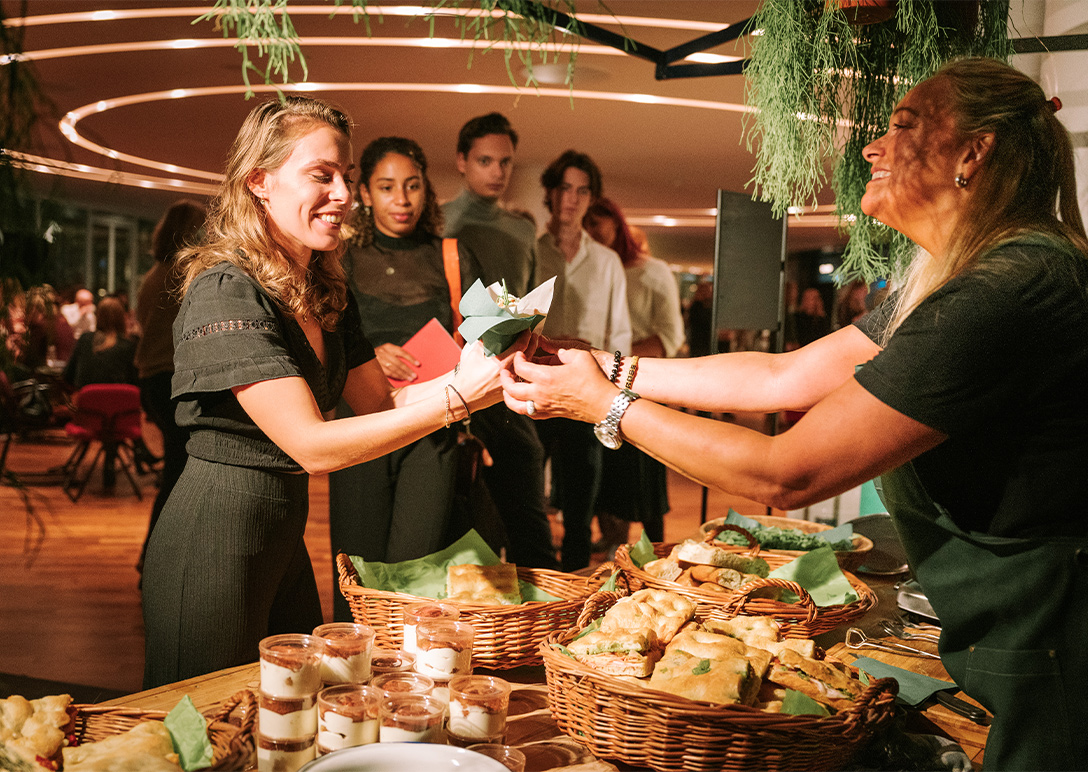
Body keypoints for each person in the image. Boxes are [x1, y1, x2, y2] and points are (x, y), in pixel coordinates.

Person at [503, 58, 1088, 770]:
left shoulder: (1006, 290)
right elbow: (782, 376)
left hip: (1054, 643)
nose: (871, 148)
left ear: (973, 152)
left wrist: (603, 403)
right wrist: (603, 366)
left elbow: (788, 471)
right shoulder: (966, 278)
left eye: (903, 127)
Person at [141, 96, 518, 687]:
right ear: (258, 182)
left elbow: (383, 403)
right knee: (211, 728)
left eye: (345, 176)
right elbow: (311, 446)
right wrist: (459, 399)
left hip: (281, 534)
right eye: (322, 175)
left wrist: (491, 378)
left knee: (289, 718)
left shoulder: (323, 288)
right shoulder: (226, 290)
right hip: (214, 534)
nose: (343, 193)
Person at [328, 136, 484, 621]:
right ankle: (351, 683)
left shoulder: (452, 256)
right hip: (360, 425)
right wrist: (370, 353)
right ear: (366, 195)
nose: (402, 199)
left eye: (413, 186)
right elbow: (323, 343)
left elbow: (486, 340)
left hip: (431, 423)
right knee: (357, 570)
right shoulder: (338, 260)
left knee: (416, 568)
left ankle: (409, 685)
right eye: (388, 187)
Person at [441, 112, 557, 570]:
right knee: (466, 506)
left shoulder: (522, 229)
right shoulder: (441, 222)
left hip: (515, 369)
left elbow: (527, 302)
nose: (498, 171)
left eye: (505, 162)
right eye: (486, 160)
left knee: (526, 494)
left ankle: (541, 601)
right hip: (456, 369)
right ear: (462, 162)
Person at [533, 150, 632, 571]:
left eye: (582, 190)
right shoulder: (531, 252)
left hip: (584, 394)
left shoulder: (608, 263)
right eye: (565, 188)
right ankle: (531, 582)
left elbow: (620, 333)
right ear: (551, 195)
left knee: (580, 504)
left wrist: (614, 395)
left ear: (591, 198)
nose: (572, 199)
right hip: (532, 386)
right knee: (527, 498)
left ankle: (573, 588)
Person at [583, 196, 684, 548]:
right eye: (585, 224)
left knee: (644, 481)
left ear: (616, 223)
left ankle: (656, 554)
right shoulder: (589, 271)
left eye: (597, 222)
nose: (590, 231)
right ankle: (615, 550)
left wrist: (614, 360)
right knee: (606, 478)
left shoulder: (652, 271)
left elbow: (671, 335)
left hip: (641, 385)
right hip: (597, 383)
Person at [134, 199, 208, 576]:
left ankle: (157, 556)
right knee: (179, 473)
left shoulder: (154, 274)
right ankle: (157, 558)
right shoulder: (180, 275)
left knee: (178, 470)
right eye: (200, 228)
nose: (206, 234)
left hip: (153, 377)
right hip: (169, 378)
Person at [63, 294, 140, 488]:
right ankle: (138, 455)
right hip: (121, 420)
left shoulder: (84, 341)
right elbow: (136, 384)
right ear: (121, 318)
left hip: (88, 418)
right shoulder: (130, 347)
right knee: (115, 405)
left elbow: (67, 377)